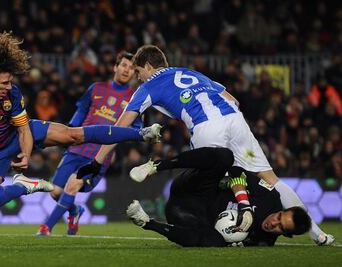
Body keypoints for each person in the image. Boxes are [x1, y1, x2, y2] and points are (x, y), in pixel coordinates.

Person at [77, 44, 333, 245]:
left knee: (207, 182)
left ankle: (221, 230)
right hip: (234, 119)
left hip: (205, 127)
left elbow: (119, 128)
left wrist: (95, 162)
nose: (137, 77)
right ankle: (317, 234)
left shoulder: (147, 87)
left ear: (146, 66)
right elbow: (232, 99)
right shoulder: (190, 72)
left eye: (138, 72)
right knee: (271, 178)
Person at [0, 33, 161, 212]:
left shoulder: (13, 93)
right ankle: (23, 185)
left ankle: (141, 134)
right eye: (4, 83)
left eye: (10, 81)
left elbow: (23, 129)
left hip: (18, 134)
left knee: (72, 134)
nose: (9, 86)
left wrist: (26, 154)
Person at [36, 51, 143, 236]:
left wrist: (121, 148)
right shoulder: (96, 88)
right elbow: (80, 114)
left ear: (135, 73)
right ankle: (75, 211)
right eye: (124, 65)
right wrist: (67, 133)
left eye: (132, 68)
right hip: (76, 147)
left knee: (73, 184)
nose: (127, 70)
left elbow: (136, 129)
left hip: (98, 156)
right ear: (115, 67)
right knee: (55, 192)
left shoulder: (135, 98)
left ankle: (46, 228)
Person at [126, 147, 312, 247]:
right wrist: (244, 205)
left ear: (285, 235)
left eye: (280, 227)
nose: (273, 223)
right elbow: (236, 171)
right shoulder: (270, 197)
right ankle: (156, 166)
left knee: (215, 242)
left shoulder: (262, 241)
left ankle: (147, 222)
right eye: (279, 217)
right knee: (225, 157)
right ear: (282, 210)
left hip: (187, 216)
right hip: (195, 189)